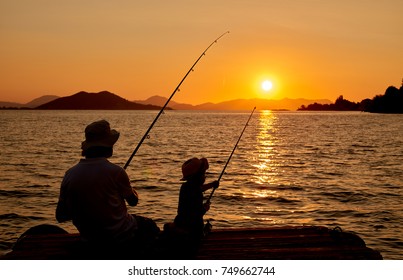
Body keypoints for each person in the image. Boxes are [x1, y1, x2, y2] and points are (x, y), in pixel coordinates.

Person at [56, 120, 159, 257]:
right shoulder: (116, 172)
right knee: (150, 226)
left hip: (89, 238)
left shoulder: (70, 174)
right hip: (120, 235)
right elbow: (133, 202)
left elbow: (60, 215)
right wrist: (130, 189)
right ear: (108, 146)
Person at [167, 157, 218, 254]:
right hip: (193, 230)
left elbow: (198, 189)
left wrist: (212, 185)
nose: (204, 176)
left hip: (180, 222)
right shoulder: (196, 191)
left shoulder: (185, 186)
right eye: (203, 173)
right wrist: (205, 208)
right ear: (198, 176)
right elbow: (197, 214)